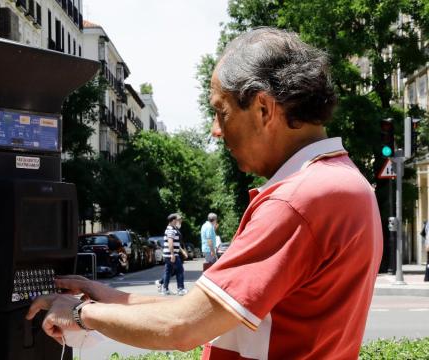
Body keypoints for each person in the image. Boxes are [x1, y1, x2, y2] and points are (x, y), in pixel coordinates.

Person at [27, 27, 382, 359]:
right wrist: (109, 297)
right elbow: (203, 309)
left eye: (220, 111)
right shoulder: (347, 183)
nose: (216, 130)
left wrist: (78, 312)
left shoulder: (296, 201)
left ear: (263, 108)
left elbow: (183, 328)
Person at [154, 213, 186, 295]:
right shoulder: (170, 230)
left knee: (168, 272)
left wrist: (181, 251)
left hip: (169, 254)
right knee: (180, 271)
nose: (177, 222)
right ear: (173, 220)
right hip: (171, 254)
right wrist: (172, 254)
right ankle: (180, 288)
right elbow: (170, 242)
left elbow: (175, 243)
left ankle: (165, 289)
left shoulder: (171, 228)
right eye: (176, 220)